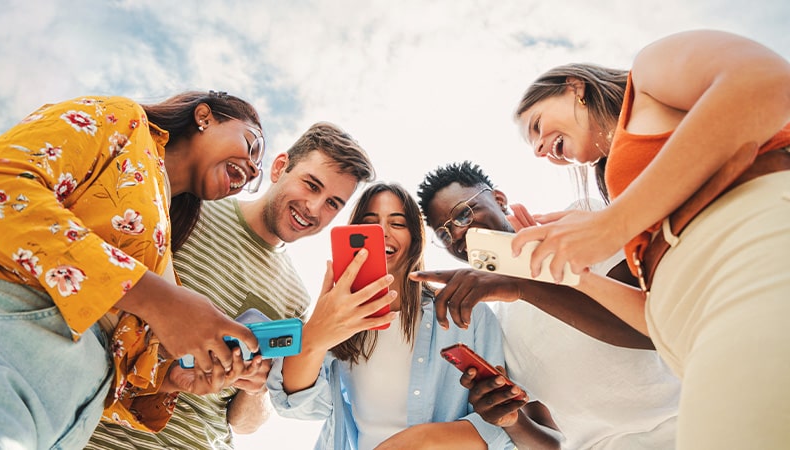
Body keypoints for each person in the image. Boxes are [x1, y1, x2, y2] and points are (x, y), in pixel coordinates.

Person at [510, 30, 790, 448]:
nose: (537, 149)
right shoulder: (628, 199)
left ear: (575, 87)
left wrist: (611, 225)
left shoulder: (650, 73)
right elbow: (653, 316)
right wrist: (575, 274)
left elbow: (767, 84)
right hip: (695, 348)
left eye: (536, 126)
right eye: (531, 145)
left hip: (755, 269)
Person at [0, 90, 265, 449]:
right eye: (252, 144)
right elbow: (1, 187)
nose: (255, 168)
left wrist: (173, 377)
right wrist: (159, 301)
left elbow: (115, 363)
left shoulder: (161, 242)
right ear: (204, 117)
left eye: (257, 171)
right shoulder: (122, 117)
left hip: (62, 418)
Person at [86, 122, 376, 449]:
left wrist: (256, 387)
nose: (314, 208)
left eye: (332, 203)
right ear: (280, 167)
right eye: (311, 185)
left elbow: (243, 423)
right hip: (104, 433)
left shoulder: (297, 297)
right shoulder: (187, 208)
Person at [414, 161, 680, 449]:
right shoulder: (498, 325)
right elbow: (552, 443)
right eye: (444, 234)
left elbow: (654, 330)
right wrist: (512, 421)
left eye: (463, 214)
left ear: (499, 200)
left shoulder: (578, 225)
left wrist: (522, 284)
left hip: (685, 425)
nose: (456, 235)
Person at [268, 182, 552, 449]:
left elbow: (501, 423)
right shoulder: (338, 320)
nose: (382, 232)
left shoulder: (466, 311)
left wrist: (420, 441)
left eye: (397, 223)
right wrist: (317, 334)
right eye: (369, 224)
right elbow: (298, 405)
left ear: (415, 239)